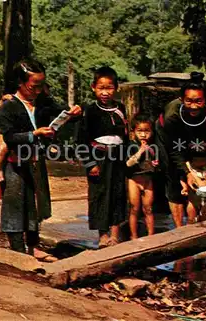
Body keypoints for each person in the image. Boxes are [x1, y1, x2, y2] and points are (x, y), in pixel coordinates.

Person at [0, 58, 81, 260]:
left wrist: (76, 112)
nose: (37, 90)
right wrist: (34, 134)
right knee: (16, 204)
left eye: (41, 86)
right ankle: (17, 250)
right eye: (34, 86)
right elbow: (9, 137)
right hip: (16, 163)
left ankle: (33, 246)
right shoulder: (9, 106)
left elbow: (65, 113)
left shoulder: (43, 103)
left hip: (36, 160)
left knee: (35, 204)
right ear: (21, 83)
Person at [156, 71, 206, 227]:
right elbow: (175, 149)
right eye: (188, 101)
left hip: (198, 136)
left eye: (198, 101)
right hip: (170, 140)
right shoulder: (172, 115)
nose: (193, 106)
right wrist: (187, 172)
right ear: (181, 99)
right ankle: (179, 228)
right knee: (173, 175)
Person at [75, 66, 128, 248]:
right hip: (98, 158)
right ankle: (103, 235)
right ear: (93, 87)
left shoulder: (121, 109)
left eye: (109, 88)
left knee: (118, 194)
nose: (105, 92)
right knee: (100, 196)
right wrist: (90, 164)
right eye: (101, 88)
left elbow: (125, 136)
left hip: (118, 158)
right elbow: (81, 141)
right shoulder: (89, 111)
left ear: (116, 88)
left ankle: (115, 234)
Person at [126, 113, 159, 239]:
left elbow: (154, 162)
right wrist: (140, 151)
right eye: (140, 131)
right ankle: (133, 236)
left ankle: (151, 235)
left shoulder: (153, 146)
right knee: (134, 209)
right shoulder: (131, 145)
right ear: (133, 131)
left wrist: (155, 163)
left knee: (148, 209)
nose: (143, 134)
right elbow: (128, 163)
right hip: (134, 180)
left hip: (148, 180)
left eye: (147, 131)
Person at [181, 145, 206, 222]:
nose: (200, 163)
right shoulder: (188, 166)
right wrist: (184, 188)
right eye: (197, 161)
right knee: (191, 218)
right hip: (193, 197)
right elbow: (182, 178)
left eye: (203, 161)